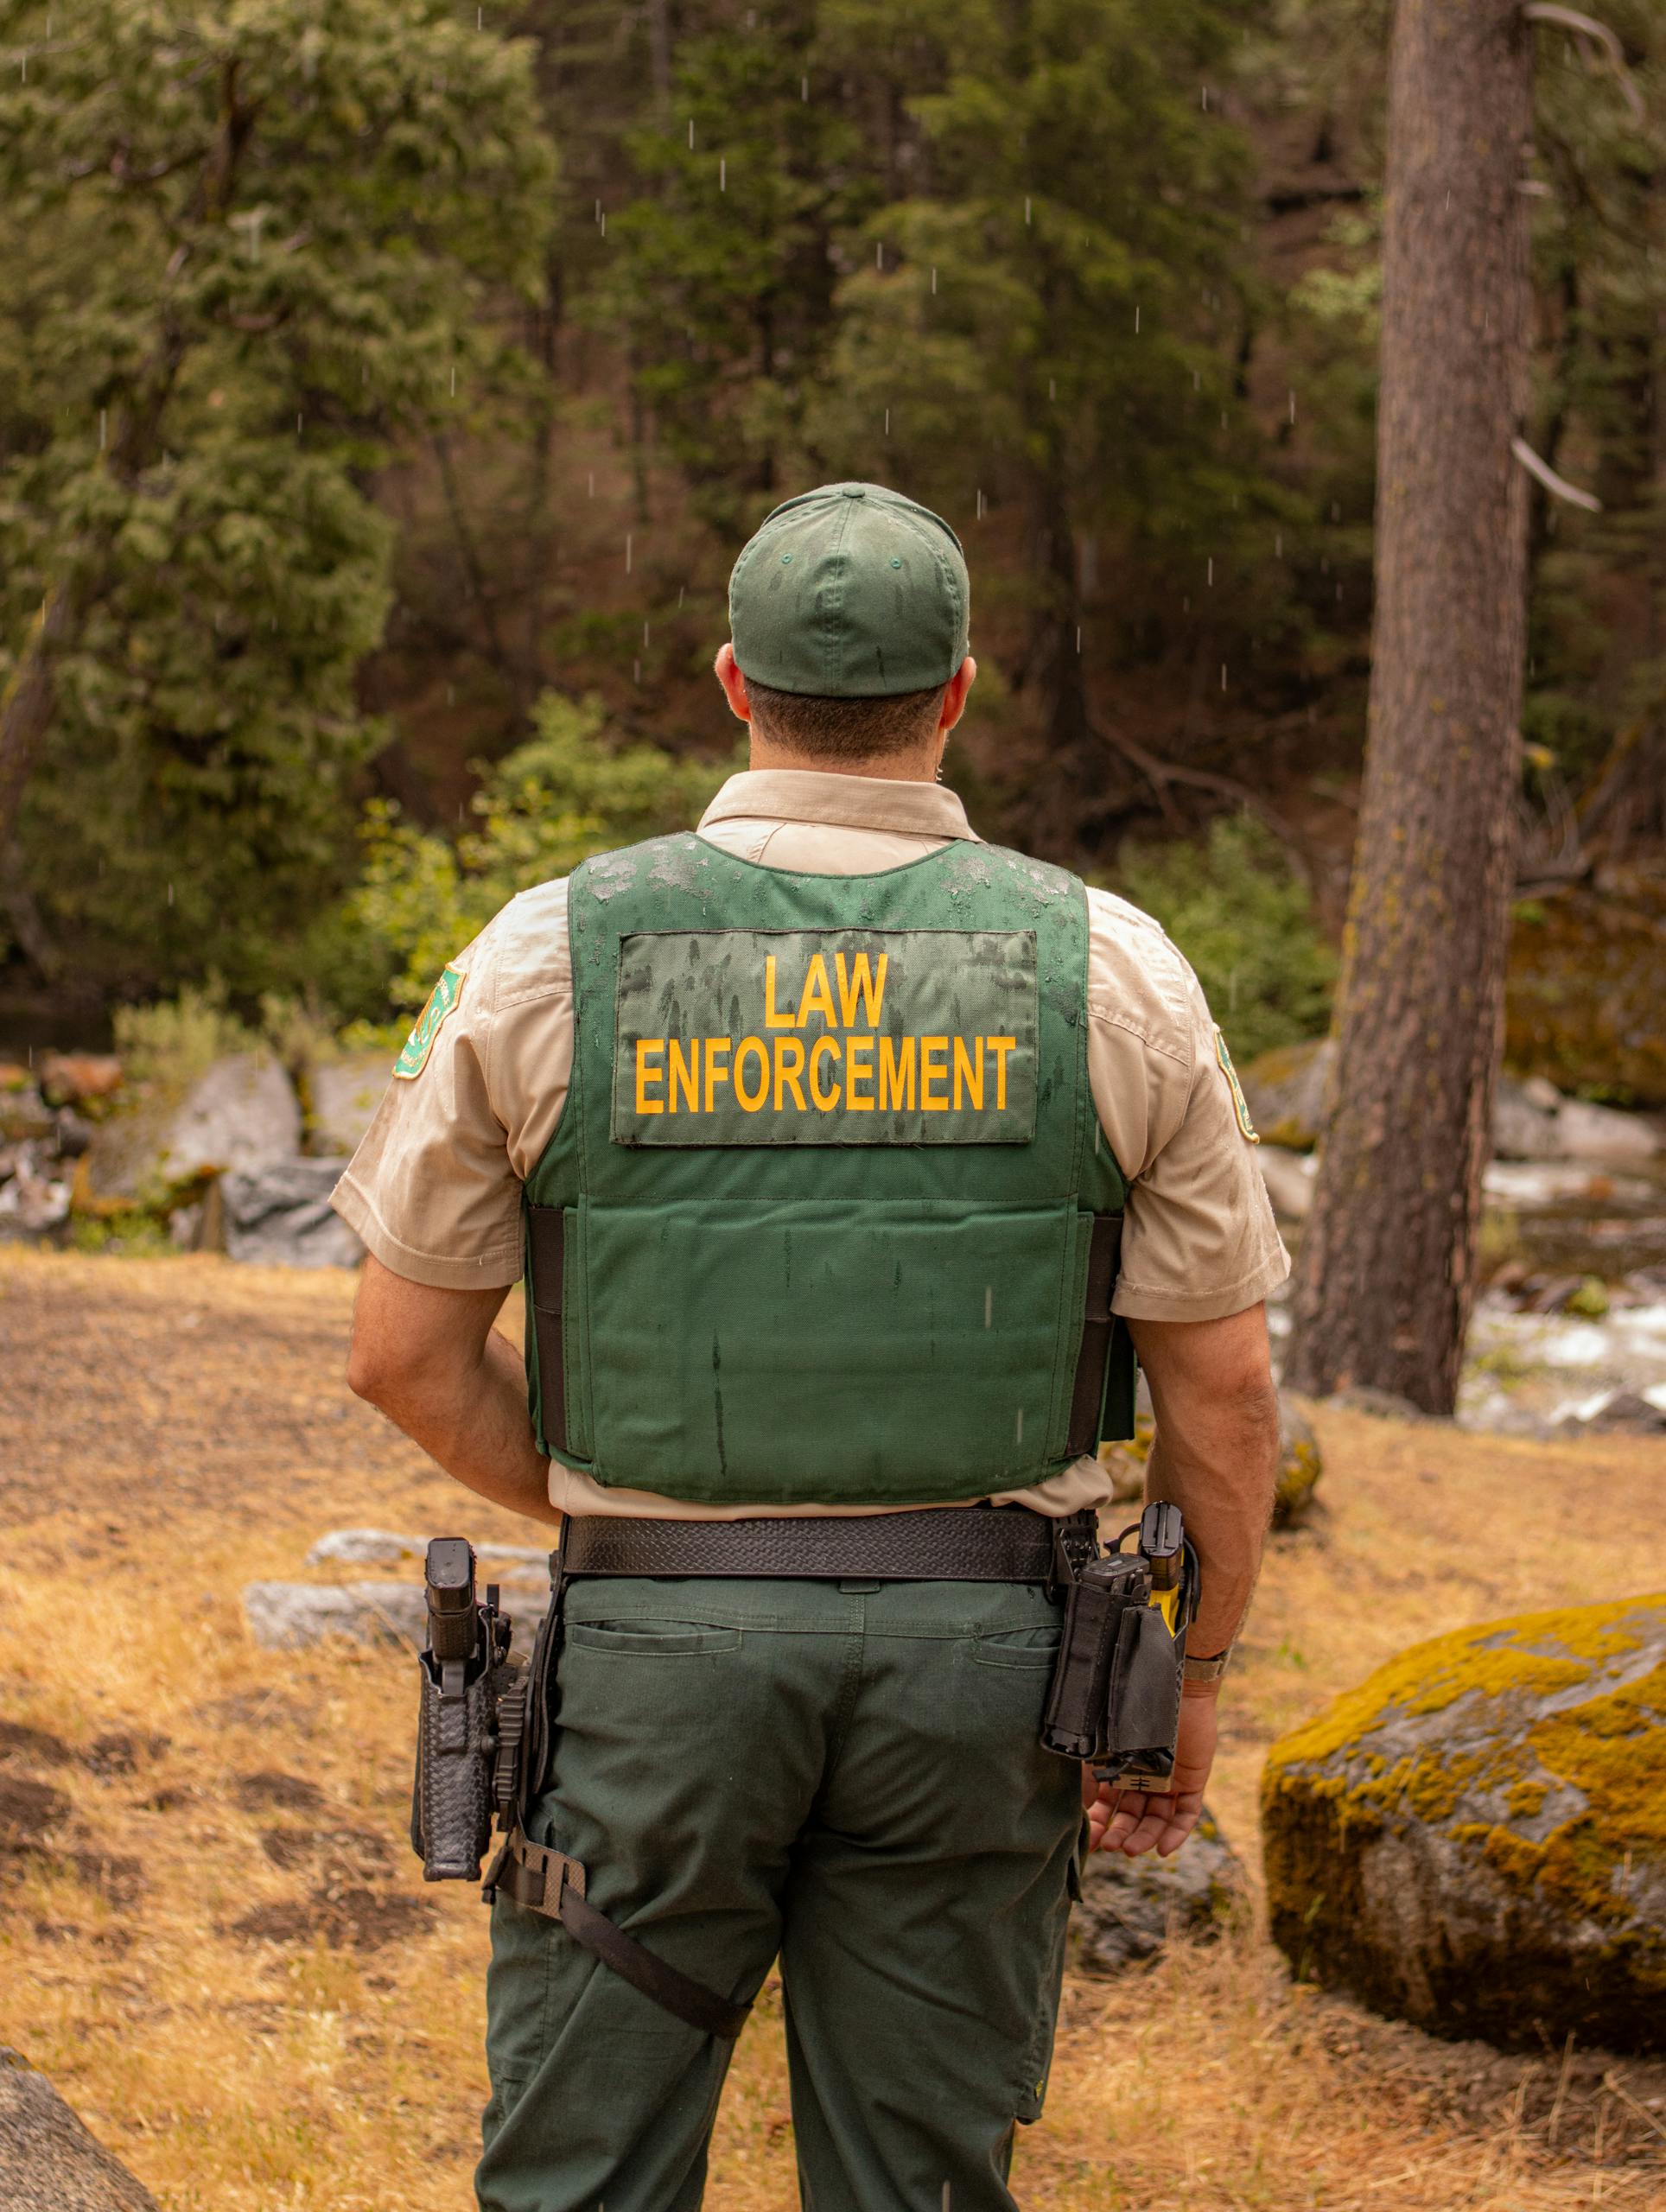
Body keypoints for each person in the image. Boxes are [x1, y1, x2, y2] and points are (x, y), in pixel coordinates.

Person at [334, 480, 1285, 2212]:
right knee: (916, 2177)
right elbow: (1218, 1385)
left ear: (727, 681)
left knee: (580, 2180)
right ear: (956, 695)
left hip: (653, 1667)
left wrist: (616, 1492)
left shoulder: (550, 951)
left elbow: (400, 1353)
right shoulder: (1112, 969)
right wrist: (1193, 1678)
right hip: (982, 1669)